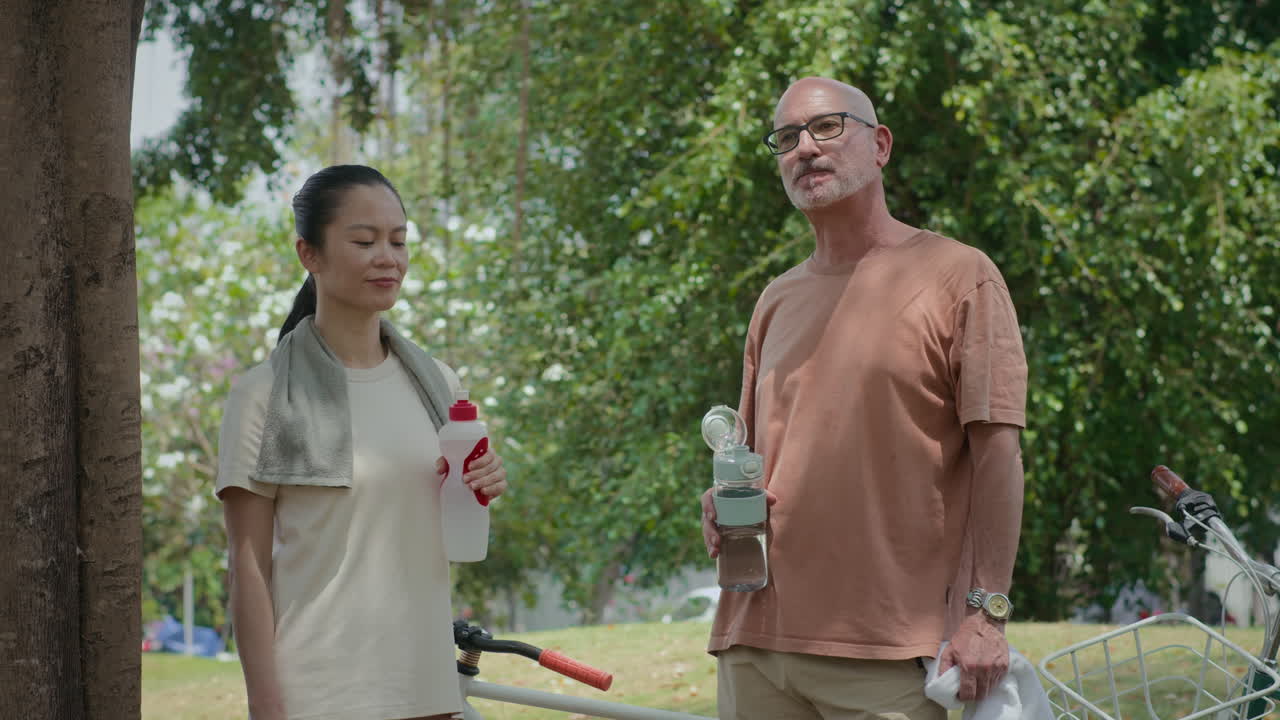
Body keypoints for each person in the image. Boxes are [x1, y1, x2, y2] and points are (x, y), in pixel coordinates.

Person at [700, 78, 1028, 719]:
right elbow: (755, 457)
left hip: (888, 657)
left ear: (879, 145)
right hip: (754, 647)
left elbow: (999, 459)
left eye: (826, 127)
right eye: (786, 137)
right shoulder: (775, 299)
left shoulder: (961, 277)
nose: (804, 149)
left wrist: (987, 615)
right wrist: (720, 501)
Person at [216, 164, 508, 720]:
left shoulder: (439, 386)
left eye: (398, 241)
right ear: (310, 254)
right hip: (319, 695)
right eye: (364, 240)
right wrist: (265, 707)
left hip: (425, 690)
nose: (388, 257)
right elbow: (248, 565)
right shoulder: (263, 395)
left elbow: (443, 529)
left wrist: (483, 482)